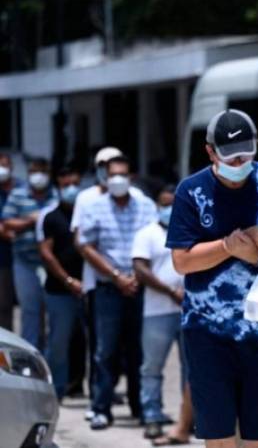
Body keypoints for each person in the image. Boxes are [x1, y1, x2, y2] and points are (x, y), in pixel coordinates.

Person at [167, 109, 258, 448]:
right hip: (208, 332)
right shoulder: (191, 191)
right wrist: (229, 246)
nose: (239, 162)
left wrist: (253, 249)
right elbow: (181, 261)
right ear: (210, 151)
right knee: (219, 438)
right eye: (230, 156)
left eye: (246, 153)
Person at [78, 155, 157, 430]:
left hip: (139, 286)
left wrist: (135, 277)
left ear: (131, 177)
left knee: (139, 350)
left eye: (122, 174)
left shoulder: (145, 206)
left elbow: (153, 241)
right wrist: (115, 276)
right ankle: (101, 407)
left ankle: (141, 407)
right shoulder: (95, 206)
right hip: (108, 288)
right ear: (105, 177)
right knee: (105, 350)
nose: (117, 180)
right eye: (112, 175)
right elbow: (86, 246)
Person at [131, 184, 185, 439]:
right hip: (157, 311)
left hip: (190, 310)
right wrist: (170, 291)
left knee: (193, 369)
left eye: (173, 203)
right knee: (151, 367)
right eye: (165, 204)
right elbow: (140, 270)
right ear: (157, 206)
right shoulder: (147, 234)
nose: (170, 209)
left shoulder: (191, 230)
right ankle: (152, 415)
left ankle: (189, 419)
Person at [37, 166, 84, 400]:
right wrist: (68, 280)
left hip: (90, 289)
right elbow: (46, 254)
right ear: (58, 188)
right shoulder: (51, 217)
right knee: (58, 344)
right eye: (66, 186)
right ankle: (53, 392)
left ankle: (89, 390)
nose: (71, 190)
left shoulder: (87, 214)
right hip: (59, 291)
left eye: (75, 184)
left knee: (94, 345)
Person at [2, 157, 57, 348]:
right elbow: (7, 222)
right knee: (30, 312)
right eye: (34, 171)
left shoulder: (55, 195)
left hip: (52, 265)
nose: (38, 176)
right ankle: (30, 355)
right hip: (24, 262)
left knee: (53, 313)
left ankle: (49, 357)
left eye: (42, 171)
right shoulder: (18, 194)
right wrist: (32, 220)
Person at [0, 153, 21, 331]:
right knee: (4, 305)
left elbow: (37, 215)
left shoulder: (23, 188)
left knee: (32, 307)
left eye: (5, 165)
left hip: (27, 257)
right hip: (3, 259)